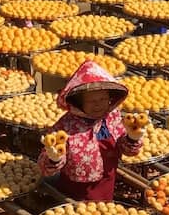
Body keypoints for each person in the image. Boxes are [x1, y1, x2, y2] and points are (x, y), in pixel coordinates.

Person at [39, 60, 145, 202]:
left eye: (102, 99)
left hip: (106, 183)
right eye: (91, 101)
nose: (98, 105)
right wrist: (54, 158)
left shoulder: (112, 117)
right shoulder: (66, 125)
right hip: (75, 189)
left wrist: (132, 138)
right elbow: (45, 166)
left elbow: (126, 150)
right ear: (79, 102)